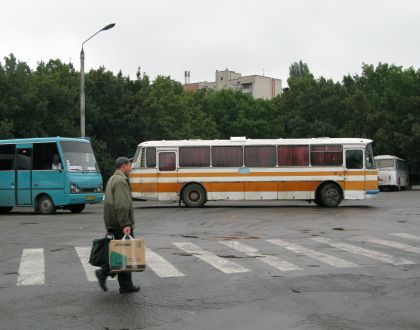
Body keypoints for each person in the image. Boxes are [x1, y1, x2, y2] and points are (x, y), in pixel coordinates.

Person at [95, 156, 140, 294]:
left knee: (122, 253)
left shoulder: (112, 179)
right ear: (124, 166)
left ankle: (126, 286)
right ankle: (103, 272)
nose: (131, 168)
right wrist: (125, 223)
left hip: (113, 222)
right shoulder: (120, 180)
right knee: (124, 253)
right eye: (130, 165)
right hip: (121, 223)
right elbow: (122, 204)